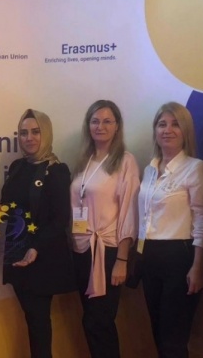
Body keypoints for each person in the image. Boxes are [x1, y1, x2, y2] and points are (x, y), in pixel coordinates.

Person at [137, 102, 203, 358]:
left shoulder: (196, 168)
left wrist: (198, 266)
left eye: (175, 124)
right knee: (158, 334)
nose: (167, 130)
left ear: (186, 131)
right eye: (162, 124)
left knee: (174, 339)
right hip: (149, 256)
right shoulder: (150, 169)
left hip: (180, 257)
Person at [0, 109, 76, 358]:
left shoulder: (57, 171)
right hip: (17, 253)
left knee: (38, 322)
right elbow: (9, 206)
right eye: (23, 133)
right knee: (32, 319)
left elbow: (60, 219)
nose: (29, 138)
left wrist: (35, 247)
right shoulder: (17, 167)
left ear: (46, 134)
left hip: (42, 257)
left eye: (35, 132)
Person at [70, 100, 139, 358]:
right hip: (82, 250)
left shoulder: (125, 161)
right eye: (95, 121)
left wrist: (122, 259)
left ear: (117, 126)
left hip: (109, 251)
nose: (100, 126)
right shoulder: (84, 160)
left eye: (107, 121)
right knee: (89, 319)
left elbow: (129, 213)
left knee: (100, 321)